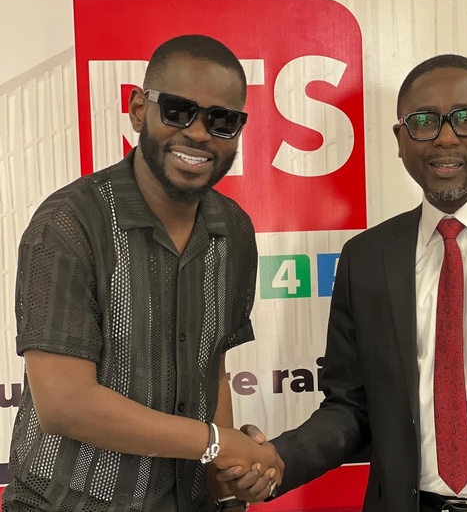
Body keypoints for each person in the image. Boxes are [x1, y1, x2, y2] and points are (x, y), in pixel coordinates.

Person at [218, 54, 467, 511]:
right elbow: (351, 408)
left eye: (466, 119)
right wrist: (277, 461)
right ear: (400, 139)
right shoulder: (366, 258)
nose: (445, 137)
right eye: (423, 122)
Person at [2, 34, 283, 512]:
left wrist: (227, 474)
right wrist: (215, 442)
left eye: (221, 120)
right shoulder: (69, 223)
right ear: (138, 110)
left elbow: (212, 370)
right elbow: (65, 404)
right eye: (178, 110)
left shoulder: (233, 228)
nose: (199, 134)